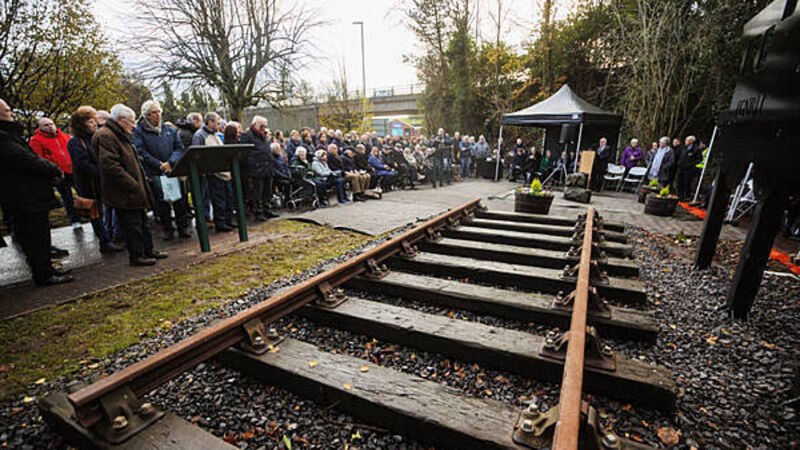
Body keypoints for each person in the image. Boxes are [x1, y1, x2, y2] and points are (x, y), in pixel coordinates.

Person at [0, 99, 74, 285]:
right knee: (34, 237)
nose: (12, 114)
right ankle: (43, 273)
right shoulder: (4, 139)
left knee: (40, 236)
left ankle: (46, 269)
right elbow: (28, 160)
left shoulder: (10, 136)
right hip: (24, 198)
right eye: (8, 111)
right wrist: (53, 168)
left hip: (30, 196)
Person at [95, 104, 167, 266]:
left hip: (134, 187)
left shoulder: (120, 134)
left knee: (142, 222)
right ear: (120, 120)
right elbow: (110, 166)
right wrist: (132, 183)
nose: (133, 126)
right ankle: (137, 255)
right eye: (130, 122)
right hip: (124, 191)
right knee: (131, 224)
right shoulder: (106, 136)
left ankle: (148, 250)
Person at [67, 106, 122, 253]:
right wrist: (101, 171)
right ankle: (104, 240)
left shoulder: (96, 137)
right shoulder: (75, 142)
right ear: (81, 124)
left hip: (102, 181)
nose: (94, 124)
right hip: (89, 184)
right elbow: (82, 164)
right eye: (90, 121)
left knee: (108, 208)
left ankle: (111, 234)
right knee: (95, 213)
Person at [133, 100, 190, 240]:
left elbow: (179, 148)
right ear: (146, 115)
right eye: (154, 113)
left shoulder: (169, 129)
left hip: (172, 170)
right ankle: (168, 230)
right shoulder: (139, 131)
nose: (158, 116)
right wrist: (158, 164)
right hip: (155, 172)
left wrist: (170, 162)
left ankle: (183, 228)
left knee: (180, 201)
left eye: (159, 112)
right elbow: (140, 151)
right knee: (162, 203)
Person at [29, 117, 80, 229]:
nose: (50, 127)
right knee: (67, 197)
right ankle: (74, 220)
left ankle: (89, 215)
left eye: (51, 124)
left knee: (82, 194)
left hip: (73, 170)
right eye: (46, 125)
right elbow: (38, 158)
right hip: (59, 174)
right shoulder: (36, 140)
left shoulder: (65, 136)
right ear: (40, 128)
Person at [194, 112, 235, 232]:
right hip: (212, 174)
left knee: (228, 198)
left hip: (223, 173)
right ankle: (220, 222)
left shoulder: (216, 135)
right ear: (210, 122)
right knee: (218, 200)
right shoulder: (200, 136)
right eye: (217, 123)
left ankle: (227, 220)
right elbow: (198, 155)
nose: (219, 125)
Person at [240, 116, 278, 222]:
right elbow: (244, 154)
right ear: (254, 124)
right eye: (262, 126)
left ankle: (267, 209)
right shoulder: (247, 136)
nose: (264, 128)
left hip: (267, 167)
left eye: (265, 126)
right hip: (256, 169)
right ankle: (258, 212)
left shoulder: (264, 136)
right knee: (257, 193)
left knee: (267, 191)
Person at [677, 135, 703, 201]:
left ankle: (686, 197)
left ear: (691, 141)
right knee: (680, 182)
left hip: (689, 169)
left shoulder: (696, 149)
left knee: (687, 183)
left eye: (687, 140)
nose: (685, 142)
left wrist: (691, 163)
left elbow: (699, 159)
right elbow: (679, 156)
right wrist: (679, 162)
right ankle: (680, 195)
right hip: (682, 168)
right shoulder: (683, 148)